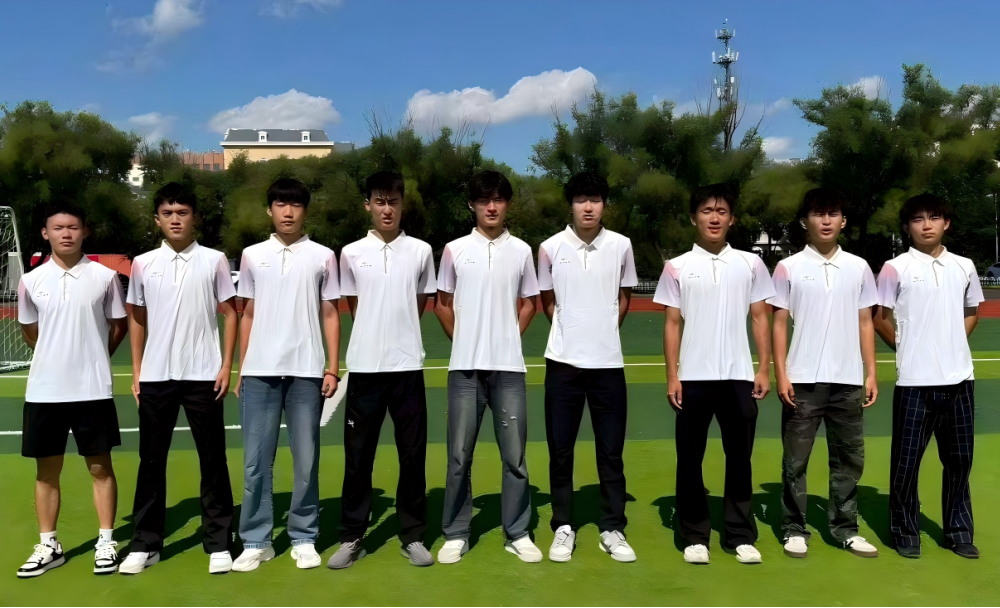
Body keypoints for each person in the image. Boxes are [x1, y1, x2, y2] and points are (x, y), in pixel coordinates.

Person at [119, 183, 239, 576]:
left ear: (194, 218)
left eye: (182, 213)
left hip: (204, 376)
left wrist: (226, 365)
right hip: (156, 377)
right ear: (157, 219)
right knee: (151, 461)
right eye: (168, 213)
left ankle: (219, 542)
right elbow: (137, 318)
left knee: (213, 460)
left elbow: (231, 313)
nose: (175, 219)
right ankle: (145, 544)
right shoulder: (143, 263)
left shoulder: (214, 260)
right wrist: (137, 371)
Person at [654, 183, 774, 565]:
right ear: (694, 218)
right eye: (707, 211)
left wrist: (763, 368)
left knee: (740, 458)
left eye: (722, 211)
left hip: (739, 376)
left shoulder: (751, 264)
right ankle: (694, 535)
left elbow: (760, 317)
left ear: (732, 219)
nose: (714, 218)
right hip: (693, 377)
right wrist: (672, 376)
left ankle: (739, 534)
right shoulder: (677, 267)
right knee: (690, 460)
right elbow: (672, 324)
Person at [327, 171, 436, 570]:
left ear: (402, 205)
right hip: (366, 369)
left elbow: (420, 301)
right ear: (367, 205)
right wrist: (375, 337)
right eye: (379, 201)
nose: (386, 209)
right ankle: (352, 536)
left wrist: (399, 336)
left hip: (407, 368)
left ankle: (413, 535)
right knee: (358, 459)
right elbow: (354, 305)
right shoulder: (350, 253)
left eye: (393, 201)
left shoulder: (421, 251)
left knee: (413, 456)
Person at [232, 178, 341, 572]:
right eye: (280, 204)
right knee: (255, 462)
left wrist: (332, 367)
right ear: (270, 210)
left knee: (306, 460)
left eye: (295, 205)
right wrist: (242, 368)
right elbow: (247, 313)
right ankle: (256, 540)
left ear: (305, 211)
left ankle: (304, 536)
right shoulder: (251, 255)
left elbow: (330, 312)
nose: (288, 212)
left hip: (306, 371)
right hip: (259, 372)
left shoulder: (323, 256)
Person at [435, 170, 542, 564]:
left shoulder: (522, 251)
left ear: (507, 204)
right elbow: (442, 305)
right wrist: (464, 340)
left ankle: (518, 532)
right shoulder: (454, 250)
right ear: (472, 205)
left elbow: (529, 303)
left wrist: (509, 337)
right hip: (464, 370)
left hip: (508, 369)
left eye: (498, 199)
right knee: (459, 455)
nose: (491, 207)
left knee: (515, 457)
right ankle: (456, 532)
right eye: (484, 200)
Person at [16, 203, 128, 578]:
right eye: (58, 227)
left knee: (100, 468)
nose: (66, 233)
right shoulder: (31, 281)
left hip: (92, 390)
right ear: (45, 233)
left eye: (73, 227)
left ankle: (106, 541)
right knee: (46, 472)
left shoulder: (105, 277)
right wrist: (56, 357)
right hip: (45, 392)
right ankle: (49, 545)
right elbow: (30, 332)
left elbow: (118, 326)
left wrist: (93, 357)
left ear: (85, 231)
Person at [768, 188, 879, 559]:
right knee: (795, 461)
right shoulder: (788, 267)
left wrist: (871, 372)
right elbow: (779, 323)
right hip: (802, 380)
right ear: (805, 221)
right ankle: (793, 528)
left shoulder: (859, 267)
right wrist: (781, 374)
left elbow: (866, 322)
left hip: (848, 380)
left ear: (843, 221)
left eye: (833, 214)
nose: (826, 221)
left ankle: (845, 529)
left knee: (848, 460)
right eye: (818, 214)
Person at [873, 193, 983, 560]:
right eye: (917, 219)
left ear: (946, 223)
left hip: (960, 381)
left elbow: (972, 311)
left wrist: (952, 344)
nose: (926, 225)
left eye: (933, 217)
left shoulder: (964, 266)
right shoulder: (895, 267)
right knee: (906, 464)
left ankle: (959, 532)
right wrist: (907, 348)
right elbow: (880, 318)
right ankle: (905, 532)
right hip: (914, 384)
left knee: (959, 463)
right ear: (907, 227)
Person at [537, 172, 638, 563]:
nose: (588, 207)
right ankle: (563, 525)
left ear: (604, 204)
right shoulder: (549, 248)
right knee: (560, 451)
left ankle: (612, 527)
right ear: (571, 205)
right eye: (581, 199)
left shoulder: (621, 246)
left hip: (608, 365)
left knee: (611, 452)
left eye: (595, 199)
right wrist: (572, 333)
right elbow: (548, 302)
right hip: (562, 365)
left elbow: (624, 298)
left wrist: (602, 334)